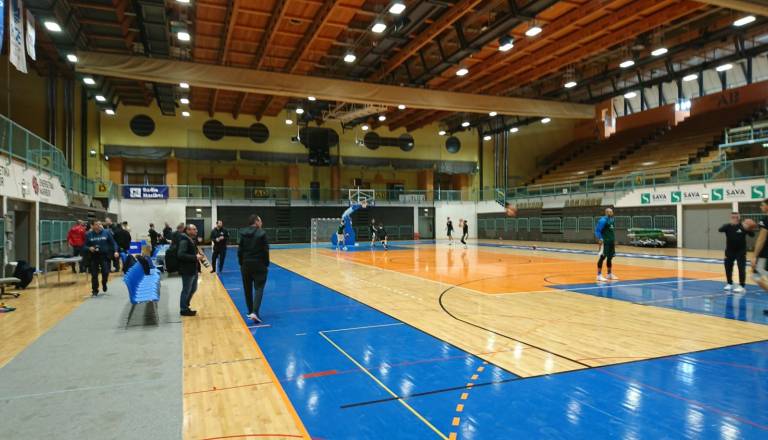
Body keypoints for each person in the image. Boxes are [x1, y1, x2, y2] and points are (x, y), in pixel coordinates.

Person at [238, 215, 270, 323]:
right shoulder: (262, 233)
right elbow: (265, 251)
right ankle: (255, 312)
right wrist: (266, 264)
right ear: (256, 222)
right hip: (259, 264)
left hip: (246, 265)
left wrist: (241, 263)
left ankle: (250, 311)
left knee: (247, 289)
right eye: (260, 221)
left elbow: (240, 251)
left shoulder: (243, 233)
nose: (261, 223)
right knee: (259, 288)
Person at [719, 212, 752, 293]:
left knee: (741, 268)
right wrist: (728, 225)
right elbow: (720, 229)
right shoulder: (727, 226)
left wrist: (748, 228)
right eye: (732, 217)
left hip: (740, 252)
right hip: (729, 251)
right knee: (728, 268)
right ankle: (729, 283)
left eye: (736, 217)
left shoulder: (742, 226)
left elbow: (752, 235)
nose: (734, 219)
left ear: (738, 218)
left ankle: (741, 285)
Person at [85, 221, 119, 296]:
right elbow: (84, 246)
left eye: (100, 224)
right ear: (93, 226)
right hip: (94, 256)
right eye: (97, 224)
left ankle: (104, 282)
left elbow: (114, 243)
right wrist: (89, 248)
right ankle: (95, 290)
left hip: (105, 256)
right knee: (94, 274)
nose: (99, 226)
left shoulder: (107, 232)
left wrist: (116, 251)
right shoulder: (89, 234)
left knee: (105, 272)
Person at [178, 224, 203, 316]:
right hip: (187, 269)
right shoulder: (184, 240)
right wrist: (195, 257)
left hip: (193, 268)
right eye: (194, 229)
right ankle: (183, 309)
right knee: (186, 290)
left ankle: (186, 305)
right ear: (188, 231)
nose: (196, 231)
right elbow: (181, 255)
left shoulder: (191, 240)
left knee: (193, 288)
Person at [595, 207, 618, 282]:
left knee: (610, 257)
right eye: (611, 212)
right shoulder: (602, 220)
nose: (612, 213)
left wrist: (614, 241)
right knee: (602, 257)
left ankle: (609, 274)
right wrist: (600, 238)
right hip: (605, 242)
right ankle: (599, 275)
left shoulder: (612, 219)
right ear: (607, 212)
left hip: (611, 241)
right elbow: (597, 231)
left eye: (612, 211)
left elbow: (611, 231)